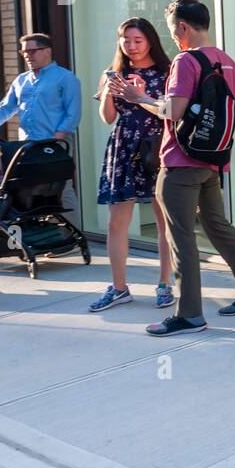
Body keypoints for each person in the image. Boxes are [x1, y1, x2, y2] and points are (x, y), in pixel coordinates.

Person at [118, 0, 235, 335]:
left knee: (181, 238)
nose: (172, 36)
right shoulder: (226, 60)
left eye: (172, 29)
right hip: (212, 160)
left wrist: (139, 99)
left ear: (183, 26)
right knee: (218, 225)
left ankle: (188, 314)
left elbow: (172, 111)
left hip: (180, 161)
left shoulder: (186, 60)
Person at [90, 17, 175, 312]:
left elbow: (170, 111)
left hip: (155, 148)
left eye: (137, 40)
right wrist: (112, 91)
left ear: (150, 40)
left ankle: (165, 284)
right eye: (126, 40)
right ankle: (119, 287)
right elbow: (107, 118)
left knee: (164, 221)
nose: (131, 46)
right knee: (116, 222)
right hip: (124, 146)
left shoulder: (166, 71)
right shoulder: (113, 73)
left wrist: (139, 96)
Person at [0, 33, 81, 142]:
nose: (27, 56)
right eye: (24, 52)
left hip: (54, 144)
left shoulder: (65, 78)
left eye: (32, 51)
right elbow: (5, 109)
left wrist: (57, 138)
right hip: (26, 144)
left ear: (47, 51)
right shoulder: (21, 80)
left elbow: (73, 113)